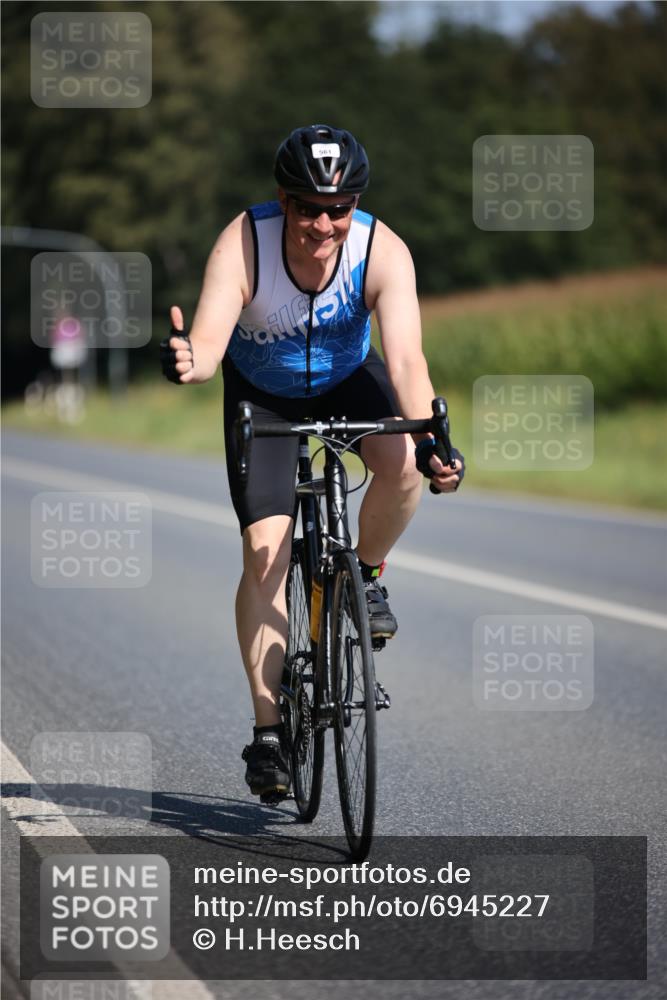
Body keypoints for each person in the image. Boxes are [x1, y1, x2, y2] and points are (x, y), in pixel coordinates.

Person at [160, 124, 464, 801]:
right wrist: (190, 362)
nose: (322, 223)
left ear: (354, 204)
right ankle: (268, 733)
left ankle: (364, 572)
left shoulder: (380, 250)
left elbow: (407, 359)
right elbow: (208, 343)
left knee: (404, 463)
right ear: (282, 200)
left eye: (338, 207)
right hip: (262, 398)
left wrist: (431, 444)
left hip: (346, 378)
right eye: (306, 207)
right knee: (265, 551)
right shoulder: (244, 243)